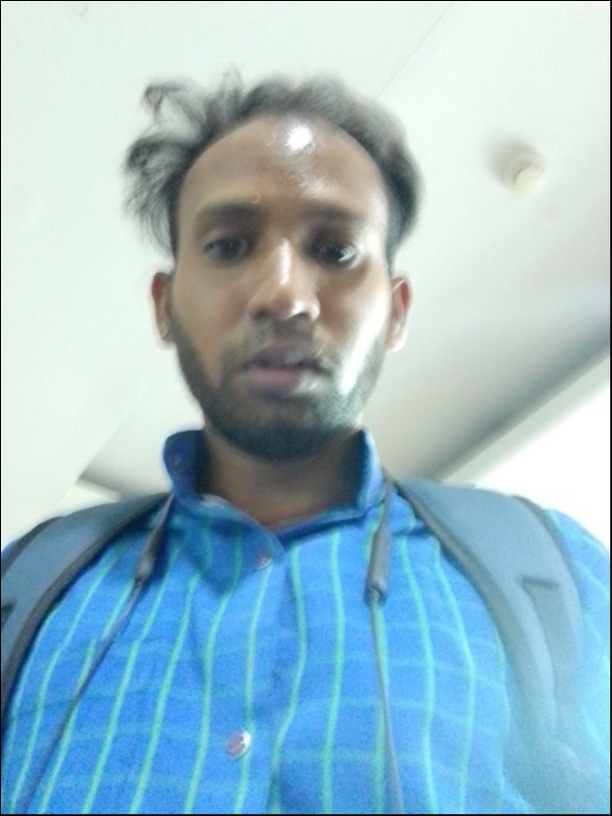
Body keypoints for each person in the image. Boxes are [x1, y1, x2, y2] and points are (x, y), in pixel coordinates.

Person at [1, 74, 609, 816]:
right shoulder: (27, 588)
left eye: (335, 249)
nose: (283, 295)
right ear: (164, 306)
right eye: (229, 245)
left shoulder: (561, 582)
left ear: (396, 311)